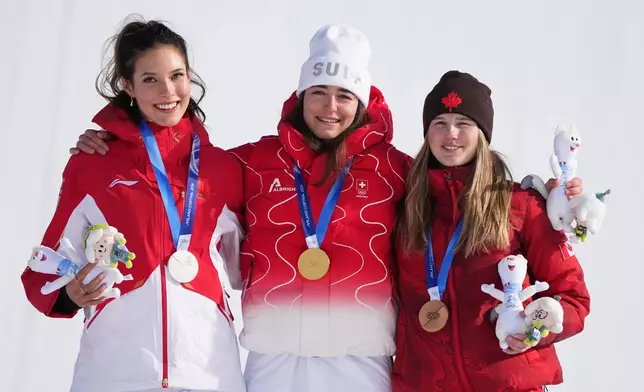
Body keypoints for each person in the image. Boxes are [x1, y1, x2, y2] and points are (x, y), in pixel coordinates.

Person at [68, 27, 585, 392]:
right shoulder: (255, 161)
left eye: (343, 95)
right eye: (318, 92)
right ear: (300, 96)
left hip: (362, 362)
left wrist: (546, 196)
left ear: (360, 102)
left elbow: (457, 193)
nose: (330, 107)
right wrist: (116, 138)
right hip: (273, 362)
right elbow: (179, 164)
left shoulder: (394, 169)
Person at [21, 17, 247, 392]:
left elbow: (251, 266)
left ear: (190, 77)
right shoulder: (93, 163)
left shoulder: (223, 168)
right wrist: (69, 293)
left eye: (177, 75)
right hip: (113, 374)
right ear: (128, 85)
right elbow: (42, 267)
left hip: (208, 375)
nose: (167, 90)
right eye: (150, 79)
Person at [391, 70, 591, 392]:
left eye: (464, 124)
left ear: (483, 133)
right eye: (439, 123)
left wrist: (535, 328)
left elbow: (573, 297)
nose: (450, 134)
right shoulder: (405, 207)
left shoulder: (522, 205)